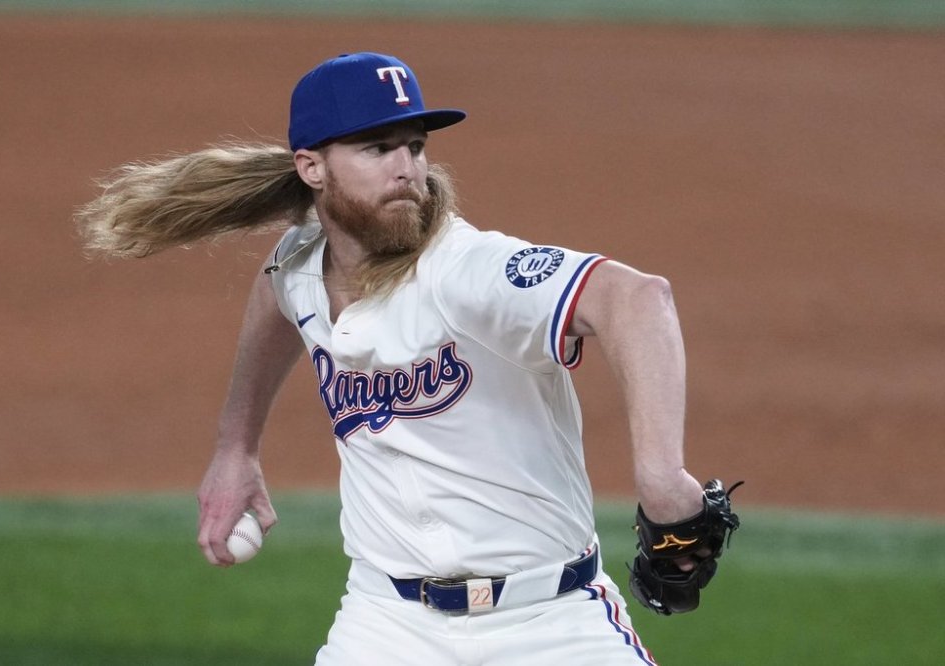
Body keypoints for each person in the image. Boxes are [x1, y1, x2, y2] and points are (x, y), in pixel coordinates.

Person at [77, 52, 707, 665]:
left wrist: (659, 477)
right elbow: (277, 293)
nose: (408, 168)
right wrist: (235, 448)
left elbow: (639, 298)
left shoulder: (468, 272)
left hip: (550, 621)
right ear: (312, 167)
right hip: (387, 622)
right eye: (378, 149)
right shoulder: (301, 262)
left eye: (415, 145)